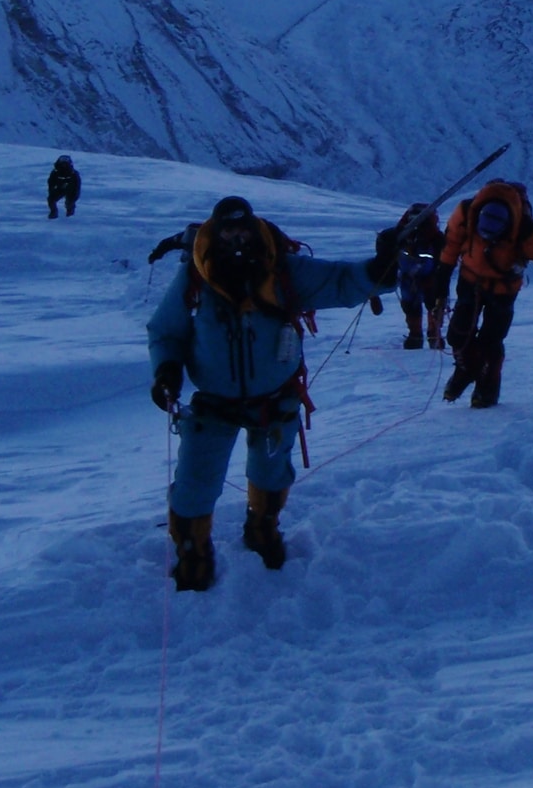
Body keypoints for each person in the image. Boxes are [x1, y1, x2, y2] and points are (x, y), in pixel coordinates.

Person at [146, 195, 401, 591]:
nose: (236, 238)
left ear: (252, 229)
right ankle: (193, 551)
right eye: (227, 230)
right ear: (215, 232)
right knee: (196, 481)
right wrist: (166, 369)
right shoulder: (195, 277)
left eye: (241, 229)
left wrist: (380, 268)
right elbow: (165, 331)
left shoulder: (283, 269)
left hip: (274, 399)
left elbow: (339, 281)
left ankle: (262, 528)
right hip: (215, 402)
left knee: (270, 471)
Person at [441, 179, 533, 408]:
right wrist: (442, 274)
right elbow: (450, 244)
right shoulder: (467, 212)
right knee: (458, 334)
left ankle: (487, 388)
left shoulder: (525, 229)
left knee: (491, 340)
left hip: (503, 290)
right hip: (470, 282)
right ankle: (468, 369)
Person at [394, 202, 450, 350]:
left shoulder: (437, 240)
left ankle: (433, 334)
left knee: (435, 306)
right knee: (410, 306)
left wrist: (435, 278)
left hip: (430, 278)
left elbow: (445, 262)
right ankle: (415, 335)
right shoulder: (401, 236)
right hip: (408, 278)